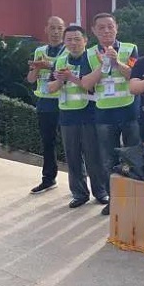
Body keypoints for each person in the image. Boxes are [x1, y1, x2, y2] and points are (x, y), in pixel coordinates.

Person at [86, 13, 140, 216]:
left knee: (133, 156)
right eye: (101, 27)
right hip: (104, 114)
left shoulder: (129, 48)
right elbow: (86, 84)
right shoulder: (89, 53)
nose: (106, 31)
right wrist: (102, 66)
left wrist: (116, 62)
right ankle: (114, 200)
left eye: (110, 26)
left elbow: (134, 75)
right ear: (94, 30)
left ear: (117, 27)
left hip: (129, 111)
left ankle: (135, 200)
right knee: (108, 160)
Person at [48, 26, 108, 208]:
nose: (73, 43)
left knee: (93, 156)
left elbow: (94, 83)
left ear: (85, 40)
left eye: (77, 39)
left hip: (90, 114)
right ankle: (79, 194)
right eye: (69, 40)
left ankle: (101, 192)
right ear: (64, 42)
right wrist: (60, 80)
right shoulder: (60, 61)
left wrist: (71, 77)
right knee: (72, 156)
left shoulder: (93, 58)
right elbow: (50, 88)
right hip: (67, 115)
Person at [26, 16, 66, 194]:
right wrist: (36, 67)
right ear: (46, 29)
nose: (56, 32)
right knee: (47, 142)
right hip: (44, 103)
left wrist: (48, 65)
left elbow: (68, 71)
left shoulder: (69, 50)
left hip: (65, 102)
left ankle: (79, 185)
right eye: (52, 28)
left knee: (73, 144)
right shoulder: (40, 51)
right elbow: (30, 79)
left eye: (59, 28)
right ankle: (48, 179)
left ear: (64, 30)